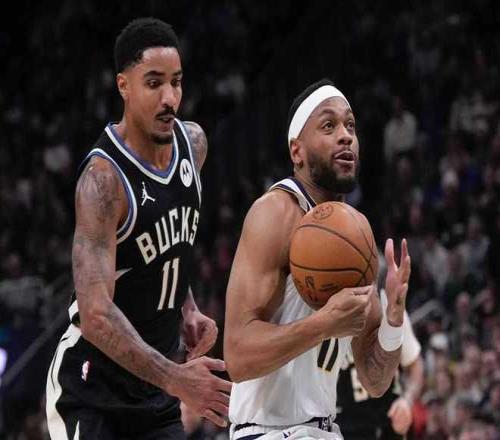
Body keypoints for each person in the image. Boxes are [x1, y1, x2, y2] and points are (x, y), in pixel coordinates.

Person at [45, 18, 231, 439]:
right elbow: (95, 314)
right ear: (123, 86)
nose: (170, 98)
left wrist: (187, 307)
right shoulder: (102, 182)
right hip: (92, 391)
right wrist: (177, 379)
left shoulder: (193, 146)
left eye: (176, 82)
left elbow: (165, 246)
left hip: (153, 391)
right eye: (154, 83)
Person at [224, 79, 411, 440]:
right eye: (329, 126)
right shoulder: (276, 212)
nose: (345, 136)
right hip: (266, 432)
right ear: (297, 151)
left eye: (350, 125)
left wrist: (393, 317)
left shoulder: (354, 233)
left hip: (324, 429)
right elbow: (237, 356)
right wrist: (324, 324)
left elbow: (375, 380)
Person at [336, 293, 424, 439]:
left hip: (387, 422)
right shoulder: (327, 309)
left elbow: (414, 364)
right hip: (342, 426)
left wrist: (407, 400)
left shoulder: (388, 302)